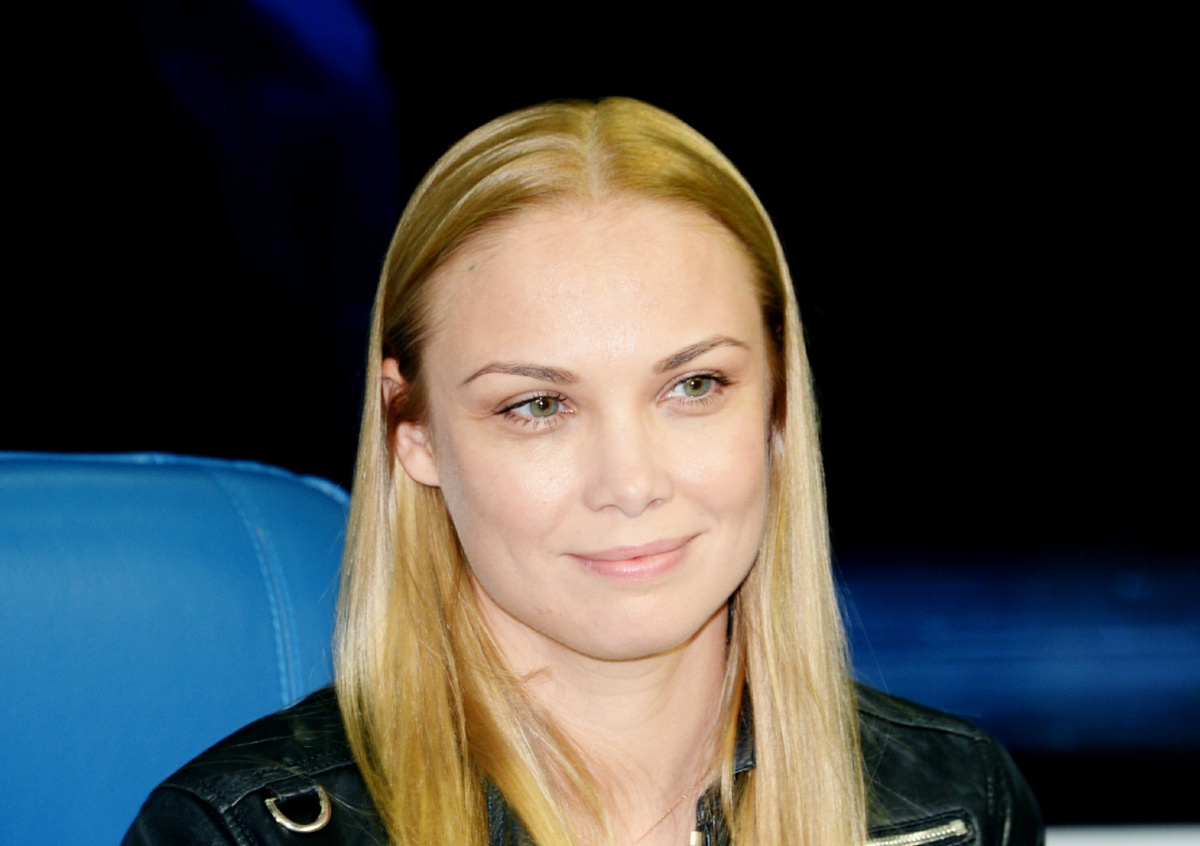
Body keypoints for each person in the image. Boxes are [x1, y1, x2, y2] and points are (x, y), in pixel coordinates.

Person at [124, 98, 1042, 846]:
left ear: (777, 403)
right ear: (414, 431)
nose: (631, 483)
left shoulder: (959, 808)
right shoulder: (243, 836)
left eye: (693, 385)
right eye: (538, 405)